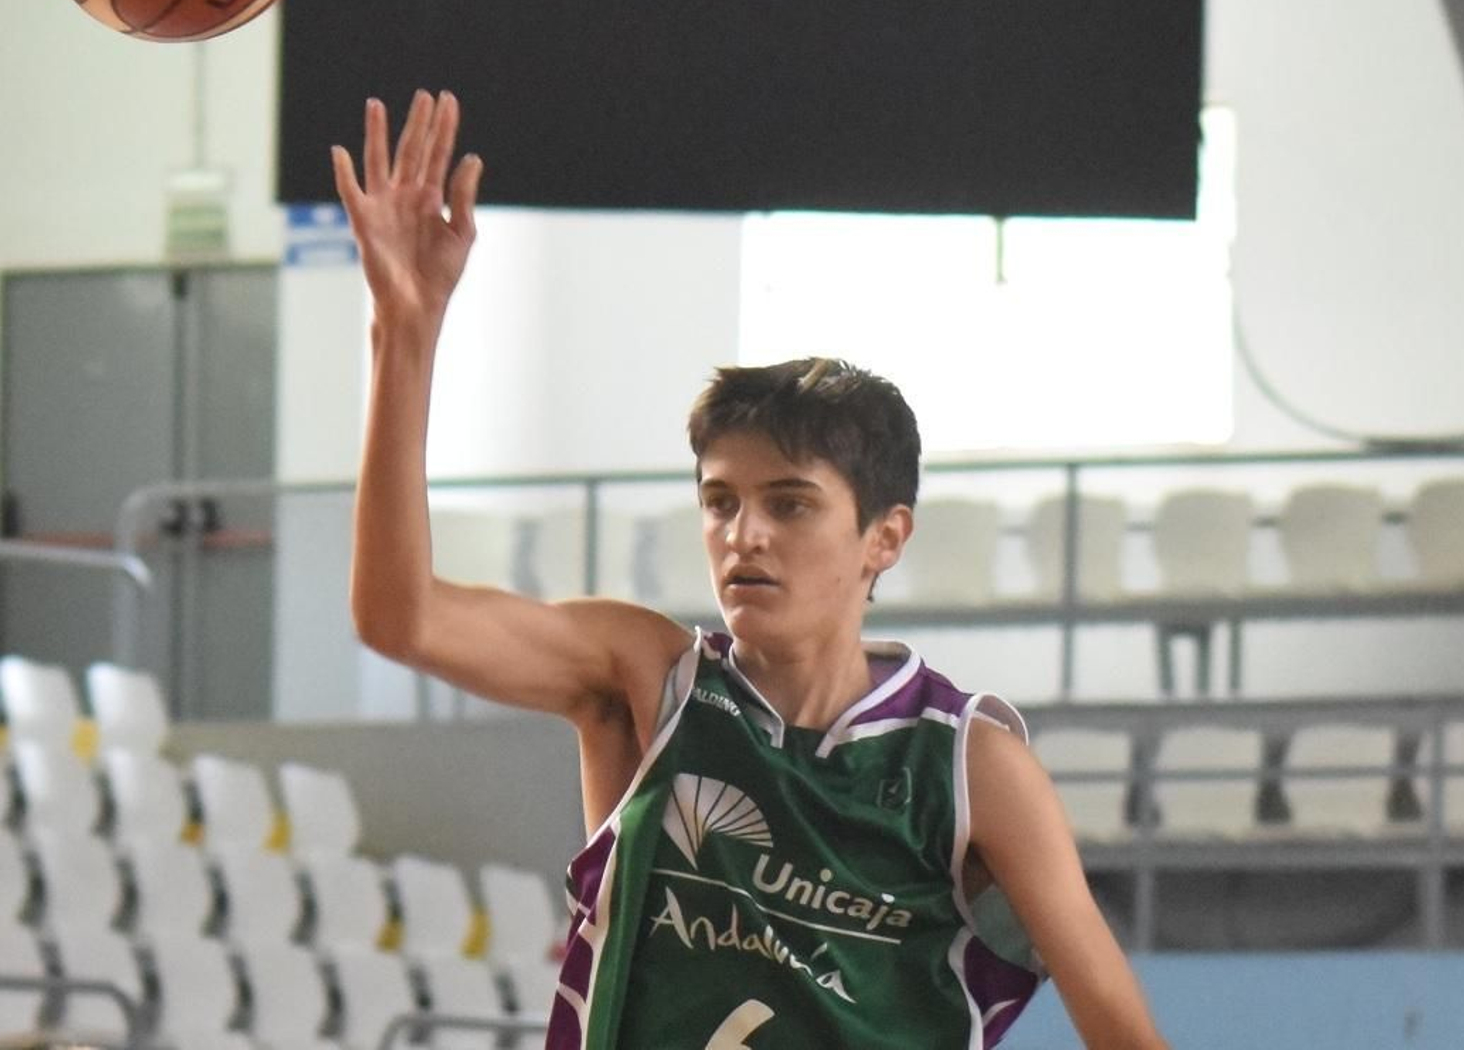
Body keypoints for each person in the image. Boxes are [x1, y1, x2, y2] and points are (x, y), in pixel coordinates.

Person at [334, 89, 1169, 1049]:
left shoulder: (968, 767)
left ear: (885, 536)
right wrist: (404, 331)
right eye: (721, 501)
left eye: (790, 503)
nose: (746, 533)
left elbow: (1125, 1032)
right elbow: (400, 618)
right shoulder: (647, 678)